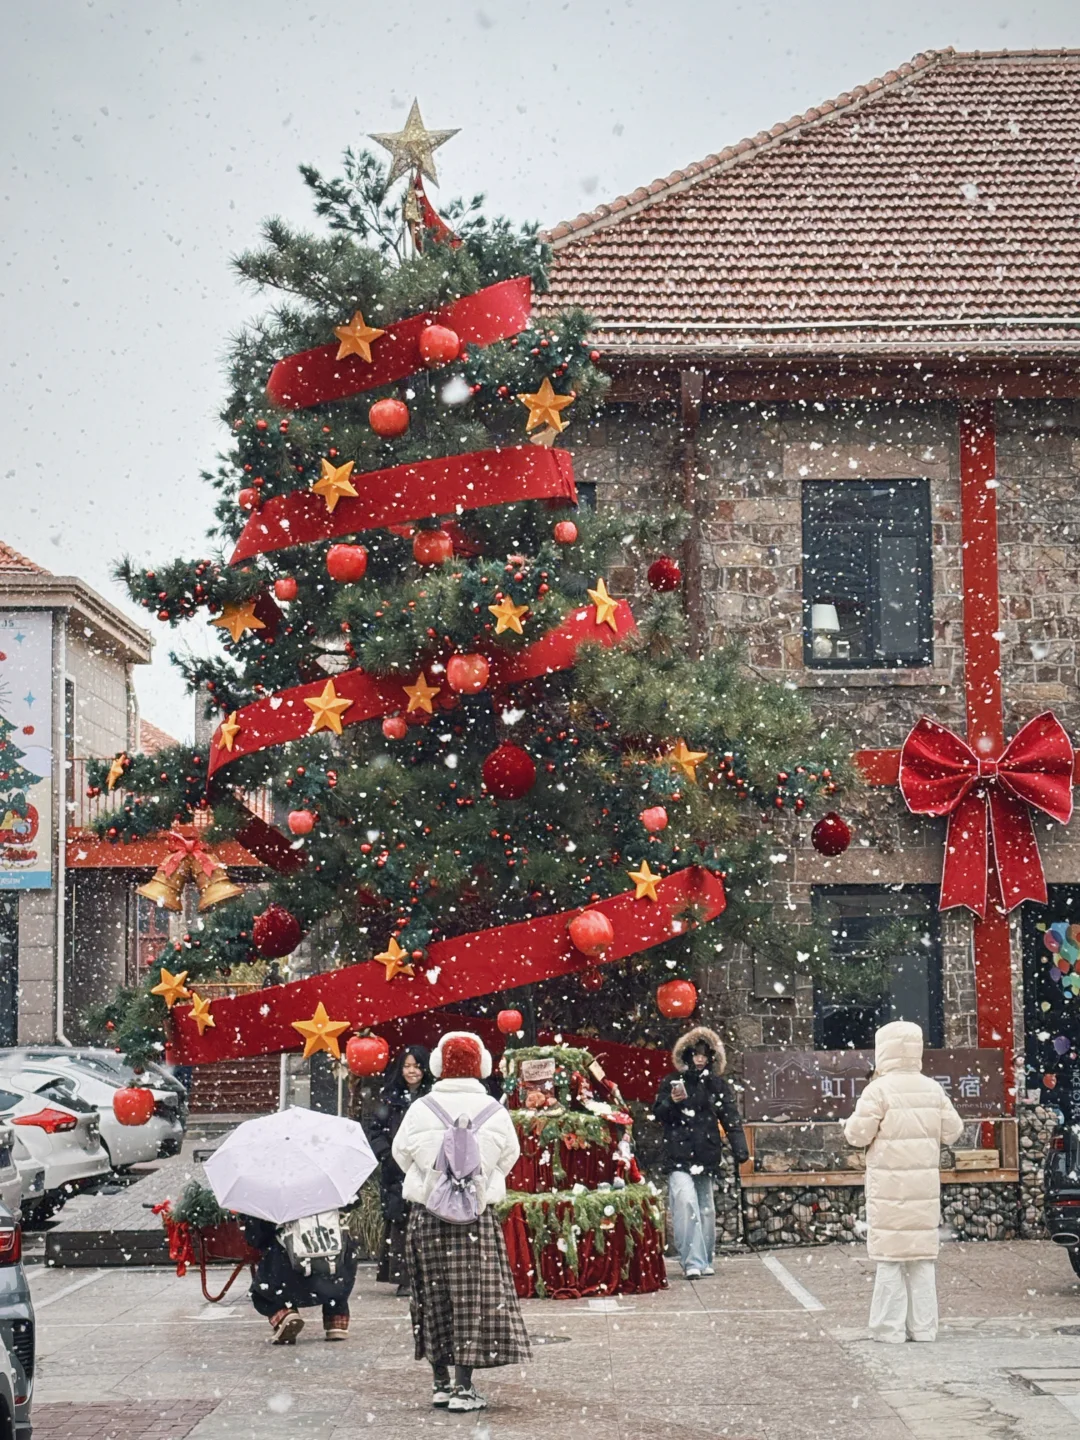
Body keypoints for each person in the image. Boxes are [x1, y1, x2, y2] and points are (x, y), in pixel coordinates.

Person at [392, 1030, 530, 1413]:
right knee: (472, 1299)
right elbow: (510, 1156)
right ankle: (463, 1389)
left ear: (438, 1066)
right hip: (475, 1217)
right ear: (481, 1066)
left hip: (427, 1216)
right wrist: (478, 1180)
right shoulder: (494, 1111)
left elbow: (401, 1154)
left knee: (431, 1297)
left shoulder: (421, 1108)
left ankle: (439, 1383)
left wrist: (432, 1179)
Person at [843, 1019, 964, 1344]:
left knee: (890, 1260)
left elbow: (856, 1135)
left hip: (889, 1190)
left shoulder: (878, 1090)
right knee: (922, 1260)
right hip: (923, 1190)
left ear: (884, 1050)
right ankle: (924, 1328)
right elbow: (953, 1131)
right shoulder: (932, 1089)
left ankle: (889, 1329)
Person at [653, 1025, 749, 1281]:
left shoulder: (716, 1085)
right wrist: (671, 1102)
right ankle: (692, 1260)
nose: (699, 1059)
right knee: (685, 1203)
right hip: (678, 1152)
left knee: (706, 1209)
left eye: (704, 1054)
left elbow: (730, 1117)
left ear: (711, 1057)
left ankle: (705, 1258)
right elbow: (659, 1113)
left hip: (706, 1152)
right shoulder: (671, 1082)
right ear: (687, 1055)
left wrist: (740, 1148)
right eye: (695, 1053)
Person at [369, 1045, 432, 1295]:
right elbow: (375, 1131)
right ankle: (403, 1276)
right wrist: (387, 1154)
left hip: (425, 1166)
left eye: (416, 1066)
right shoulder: (389, 1098)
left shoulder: (432, 1097)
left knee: (426, 1220)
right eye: (407, 1066)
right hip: (395, 1170)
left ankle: (427, 1276)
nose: (411, 1071)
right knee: (400, 1222)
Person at [242, 1208, 357, 1344]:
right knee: (341, 1262)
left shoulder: (269, 1201)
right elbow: (353, 1203)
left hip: (290, 1272)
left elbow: (256, 1237)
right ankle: (336, 1318)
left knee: (261, 1291)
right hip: (335, 1268)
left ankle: (285, 1314)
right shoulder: (333, 1197)